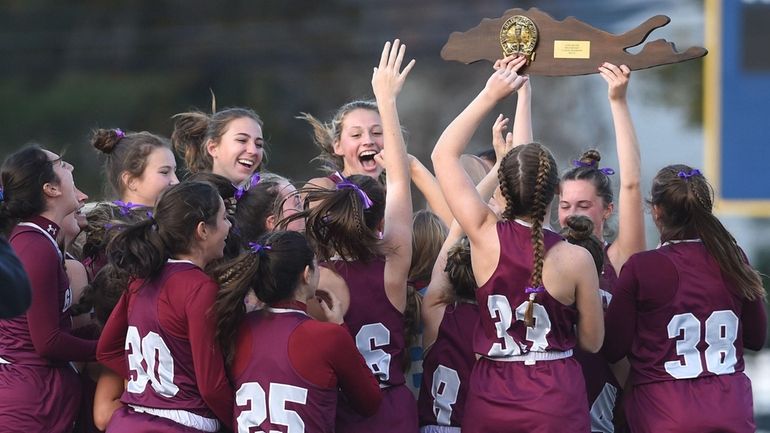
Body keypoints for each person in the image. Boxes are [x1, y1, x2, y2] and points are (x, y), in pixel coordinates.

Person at [431, 55, 604, 433]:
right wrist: (525, 95)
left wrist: (492, 93)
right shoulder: (576, 257)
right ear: (554, 194)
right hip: (556, 399)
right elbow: (592, 342)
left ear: (503, 190)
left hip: (493, 396)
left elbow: (442, 154)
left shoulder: (483, 233)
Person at [292, 39, 418, 433]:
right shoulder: (320, 189)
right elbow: (399, 180)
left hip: (359, 380)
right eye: (358, 133)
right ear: (337, 145)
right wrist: (388, 101)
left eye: (379, 132)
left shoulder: (331, 273)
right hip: (376, 393)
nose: (370, 140)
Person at [603, 165, 767, 433]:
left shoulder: (642, 267)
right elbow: (756, 337)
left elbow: (612, 347)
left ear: (656, 211)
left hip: (665, 412)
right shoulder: (732, 258)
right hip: (730, 409)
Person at [96, 181, 234, 432]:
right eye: (224, 218)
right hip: (180, 424)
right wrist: (243, 422)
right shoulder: (200, 288)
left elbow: (106, 349)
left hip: (128, 422)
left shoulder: (140, 279)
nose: (229, 226)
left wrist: (152, 384)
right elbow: (210, 387)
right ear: (202, 230)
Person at [211, 230, 382, 432]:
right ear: (307, 274)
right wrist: (340, 327)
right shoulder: (329, 336)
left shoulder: (237, 326)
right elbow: (370, 402)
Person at [557, 63, 643, 431]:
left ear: (607, 210)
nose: (570, 215)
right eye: (563, 206)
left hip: (608, 406)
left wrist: (618, 100)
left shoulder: (619, 257)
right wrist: (522, 91)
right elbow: (524, 168)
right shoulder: (547, 256)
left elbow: (632, 187)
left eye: (583, 206)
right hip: (552, 401)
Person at [0, 145, 96, 433]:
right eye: (63, 164)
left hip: (42, 400)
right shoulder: (34, 246)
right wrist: (109, 350)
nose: (72, 168)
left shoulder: (40, 240)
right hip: (29, 406)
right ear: (50, 189)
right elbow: (47, 342)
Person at [82, 128, 178, 280]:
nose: (176, 181)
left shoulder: (173, 221)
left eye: (175, 171)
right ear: (131, 181)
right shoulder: (109, 232)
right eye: (165, 172)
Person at [172, 107, 264, 186]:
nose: (253, 151)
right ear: (213, 148)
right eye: (242, 140)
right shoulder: (193, 200)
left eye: (259, 145)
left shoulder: (269, 199)